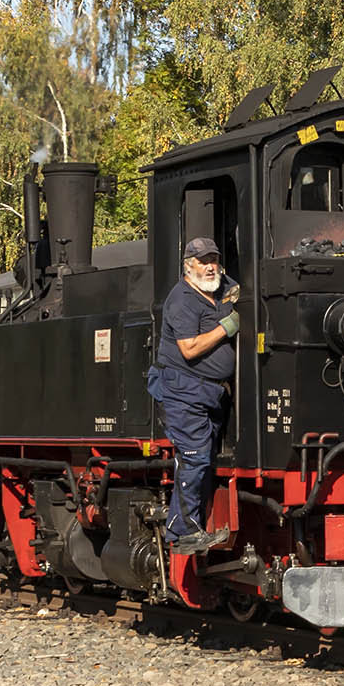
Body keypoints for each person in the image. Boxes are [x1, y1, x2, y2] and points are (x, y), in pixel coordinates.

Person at [146, 234, 240, 548]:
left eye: (214, 259)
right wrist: (226, 328)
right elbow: (190, 348)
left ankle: (196, 525)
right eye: (203, 261)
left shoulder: (220, 286)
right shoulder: (182, 299)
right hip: (183, 392)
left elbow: (236, 289)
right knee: (195, 459)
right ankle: (182, 533)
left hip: (210, 394)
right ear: (189, 266)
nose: (210, 266)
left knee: (206, 459)